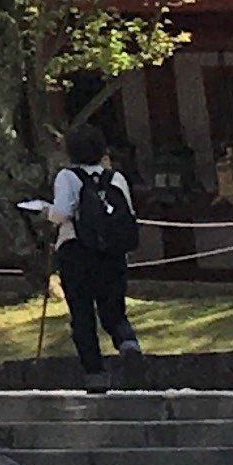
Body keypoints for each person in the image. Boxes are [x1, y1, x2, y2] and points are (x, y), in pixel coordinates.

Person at [46, 141, 145, 387]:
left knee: (82, 313)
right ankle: (127, 342)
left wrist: (45, 212)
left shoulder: (67, 177)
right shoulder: (116, 178)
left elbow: (62, 213)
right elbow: (127, 213)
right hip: (112, 252)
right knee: (113, 306)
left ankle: (95, 374)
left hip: (76, 250)